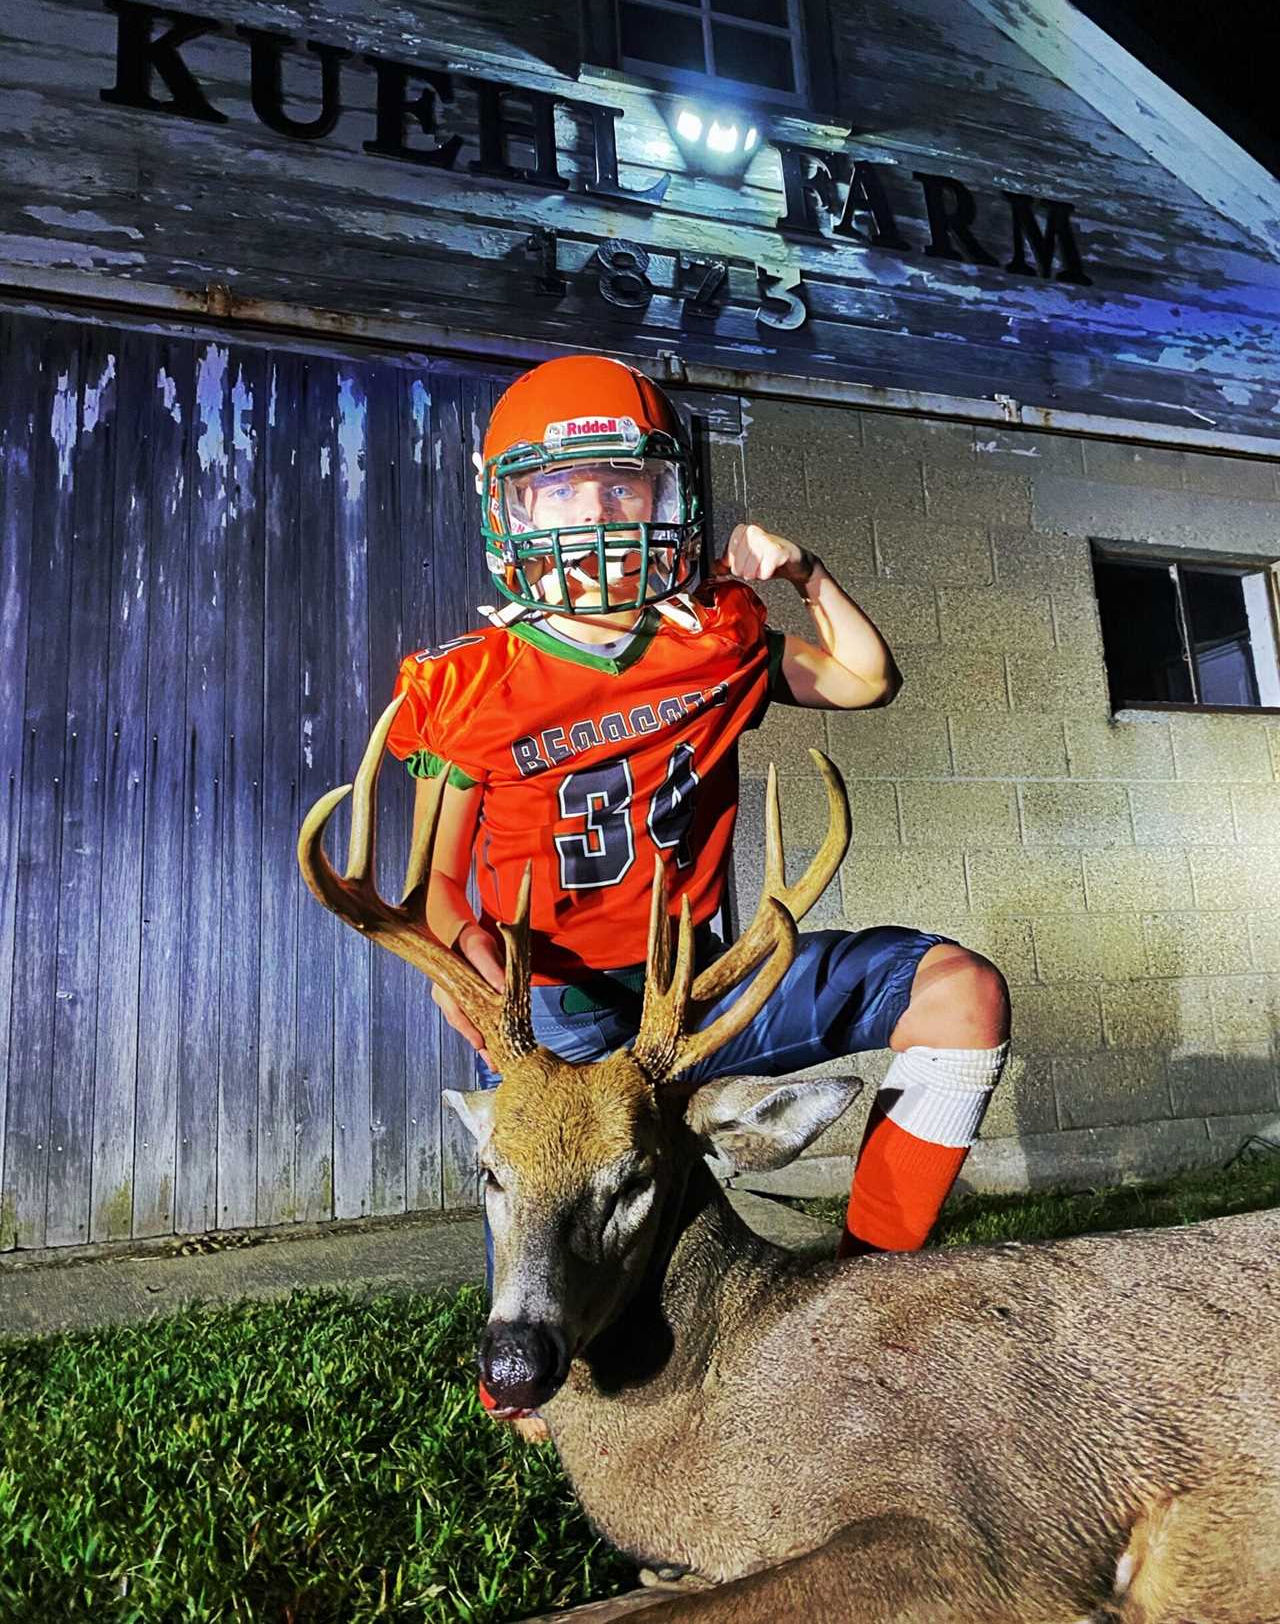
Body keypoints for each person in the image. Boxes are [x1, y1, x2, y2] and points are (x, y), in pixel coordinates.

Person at [386, 354, 1010, 1424]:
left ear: (666, 496)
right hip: (568, 1012)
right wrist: (484, 995)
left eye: (619, 485)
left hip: (704, 988)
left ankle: (865, 1293)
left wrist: (802, 572)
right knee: (578, 1251)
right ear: (510, 508)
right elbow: (433, 888)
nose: (592, 514)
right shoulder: (466, 684)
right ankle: (531, 1366)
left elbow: (865, 678)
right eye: (561, 489)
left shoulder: (711, 636)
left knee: (962, 998)